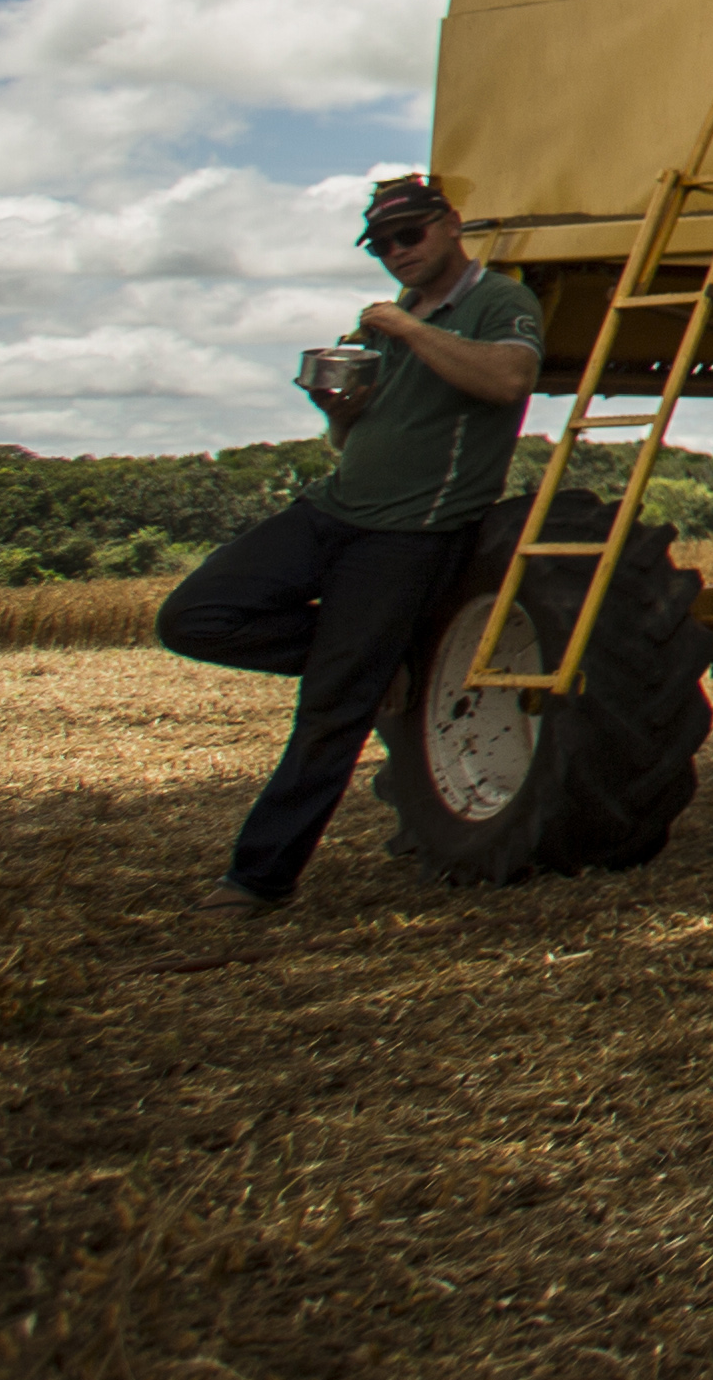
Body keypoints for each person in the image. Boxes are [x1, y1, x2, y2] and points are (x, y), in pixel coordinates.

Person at [153, 171, 544, 910]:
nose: (395, 252)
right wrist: (340, 407)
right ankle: (377, 662)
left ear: (452, 224)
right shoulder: (397, 315)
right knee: (193, 617)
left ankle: (258, 880)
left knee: (331, 710)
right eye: (381, 244)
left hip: (409, 532)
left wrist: (406, 330)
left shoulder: (498, 302)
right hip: (333, 509)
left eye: (409, 235)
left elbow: (509, 380)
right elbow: (350, 438)